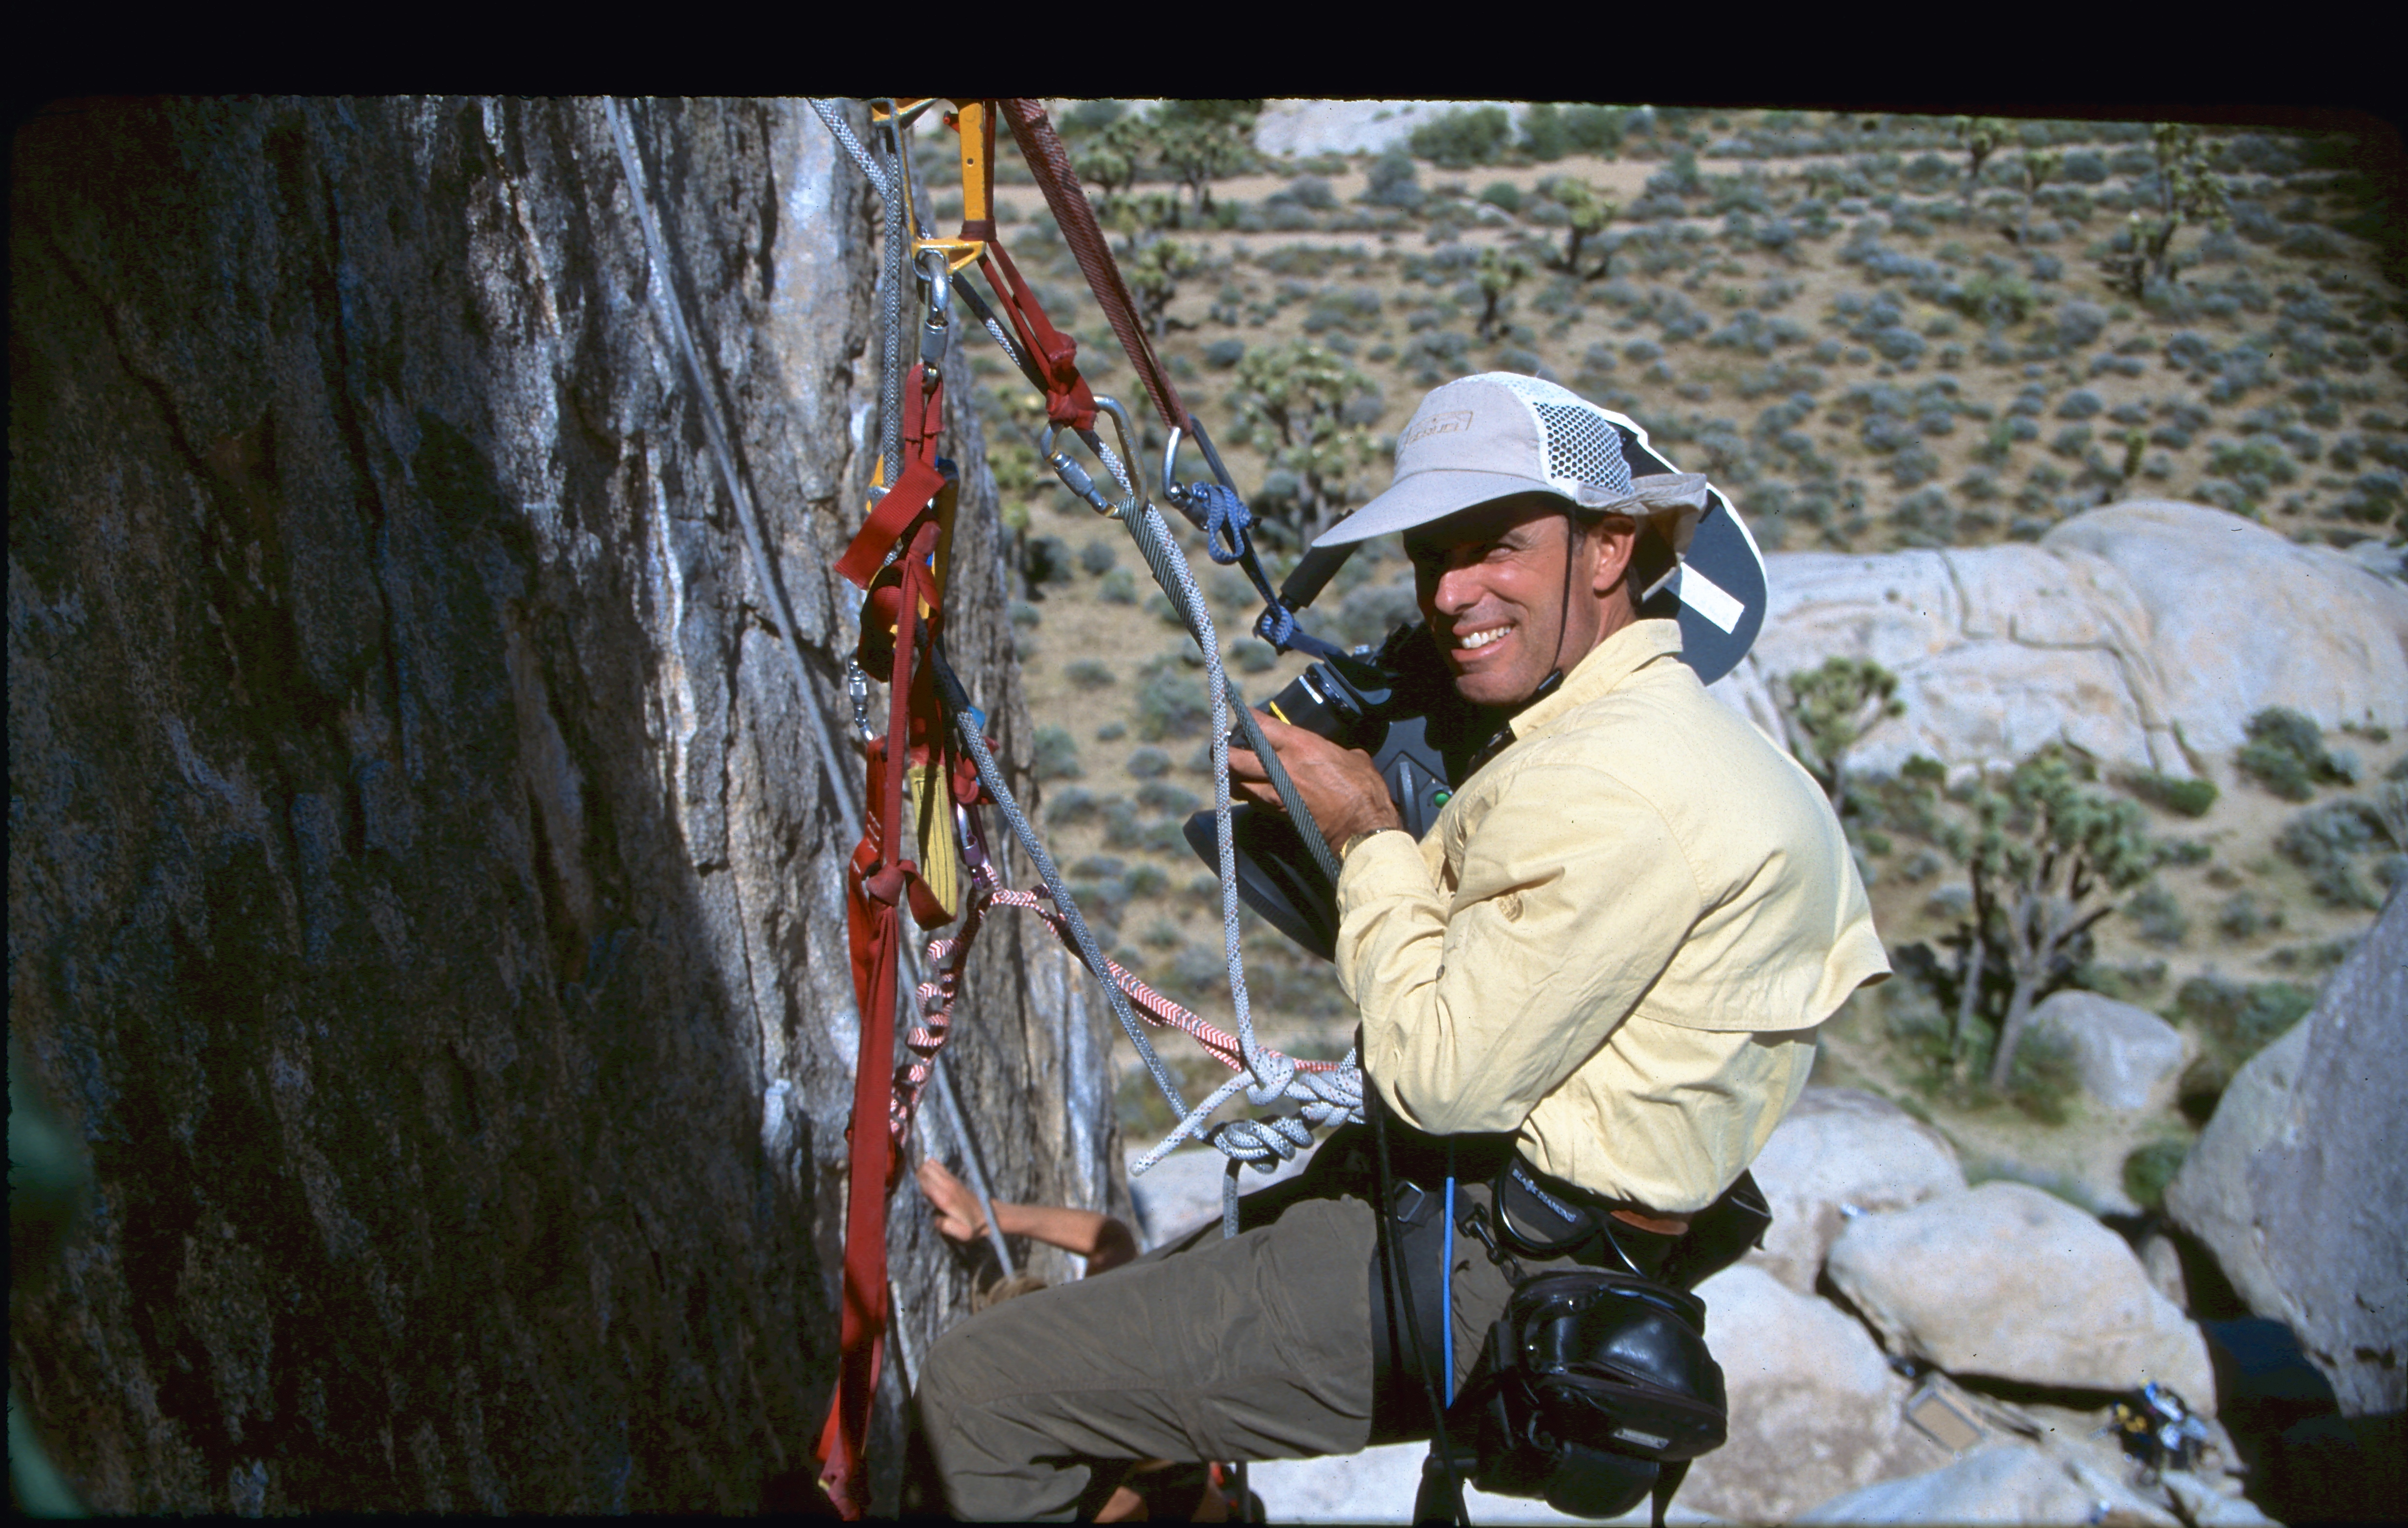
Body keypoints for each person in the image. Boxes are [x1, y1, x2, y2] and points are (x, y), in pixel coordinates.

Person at [916, 373, 1888, 1521]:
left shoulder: (1613, 786)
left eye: (1498, 550)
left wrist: (1369, 826)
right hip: (1503, 1230)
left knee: (988, 1387)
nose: (1450, 593)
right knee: (1103, 1355)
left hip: (1483, 1262)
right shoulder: (1673, 749)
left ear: (1610, 546)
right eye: (1436, 557)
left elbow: (1437, 1080)